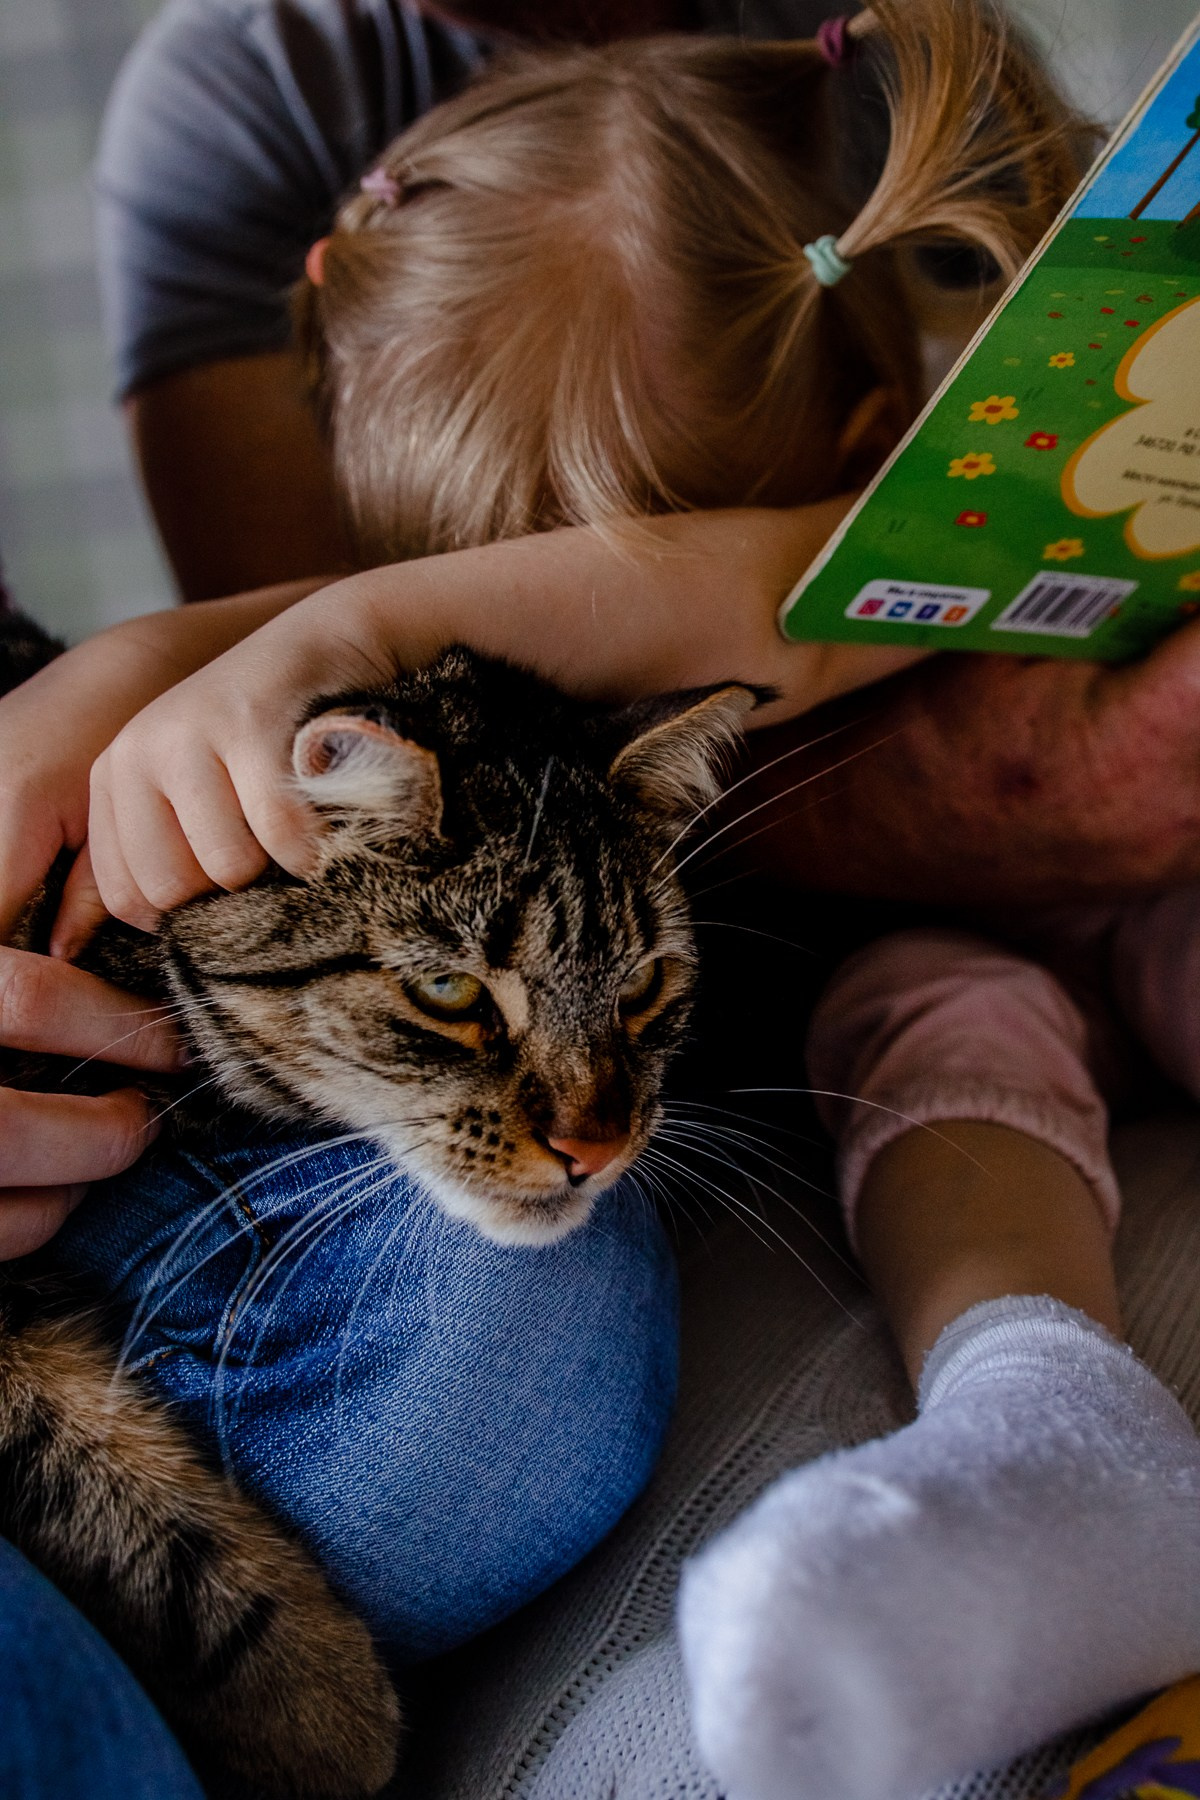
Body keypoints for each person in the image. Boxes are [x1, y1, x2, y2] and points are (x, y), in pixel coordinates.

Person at [39, 9, 1200, 1799]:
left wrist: (319, 639)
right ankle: (1048, 1432)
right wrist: (178, 668)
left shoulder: (880, 535)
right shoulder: (261, 80)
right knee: (930, 1016)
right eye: (430, 604)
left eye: (552, 616)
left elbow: (765, 601)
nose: (593, 1133)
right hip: (959, 972)